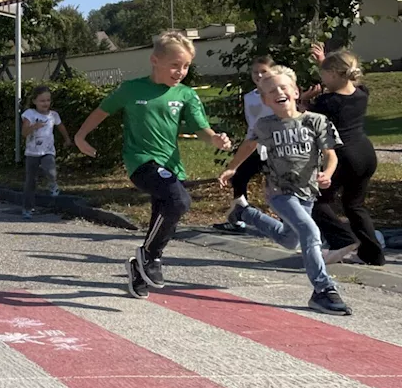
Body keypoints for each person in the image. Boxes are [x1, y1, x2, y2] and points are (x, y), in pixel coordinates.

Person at [74, 31, 232, 299]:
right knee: (180, 201)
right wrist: (80, 136)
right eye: (174, 65)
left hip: (173, 167)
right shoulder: (131, 89)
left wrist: (215, 139)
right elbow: (101, 111)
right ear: (155, 60)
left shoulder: (185, 95)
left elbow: (200, 128)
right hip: (141, 163)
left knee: (164, 217)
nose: (180, 72)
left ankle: (141, 266)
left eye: (185, 66)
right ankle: (149, 257)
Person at [219, 66, 350, 315]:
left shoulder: (316, 121)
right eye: (271, 91)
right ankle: (323, 290)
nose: (279, 92)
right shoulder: (264, 125)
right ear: (266, 100)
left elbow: (330, 155)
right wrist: (232, 168)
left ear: (296, 92)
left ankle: (244, 213)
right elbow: (248, 145)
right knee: (310, 232)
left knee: (290, 240)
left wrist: (328, 174)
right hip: (279, 191)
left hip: (307, 192)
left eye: (283, 87)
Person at [304, 45, 384, 266]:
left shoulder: (326, 102)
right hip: (365, 154)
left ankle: (343, 240)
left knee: (315, 201)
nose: (322, 81)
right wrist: (324, 62)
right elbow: (344, 80)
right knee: (354, 205)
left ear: (332, 74)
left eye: (324, 75)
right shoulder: (361, 93)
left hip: (344, 156)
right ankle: (373, 254)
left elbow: (306, 120)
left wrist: (303, 99)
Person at [214, 56, 275, 234]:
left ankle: (289, 224)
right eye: (255, 72)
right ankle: (238, 218)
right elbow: (252, 122)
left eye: (264, 71)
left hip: (275, 147)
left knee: (277, 186)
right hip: (254, 144)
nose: (259, 75)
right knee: (239, 177)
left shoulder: (277, 93)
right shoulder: (249, 97)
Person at [21, 85, 71, 220]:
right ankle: (27, 208)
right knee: (30, 182)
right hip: (32, 153)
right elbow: (24, 133)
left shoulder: (53, 115)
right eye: (42, 100)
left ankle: (53, 184)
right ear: (34, 101)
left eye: (48, 100)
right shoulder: (29, 114)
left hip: (48, 151)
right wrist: (33, 127)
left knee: (50, 170)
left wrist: (67, 139)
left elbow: (61, 127)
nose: (45, 103)